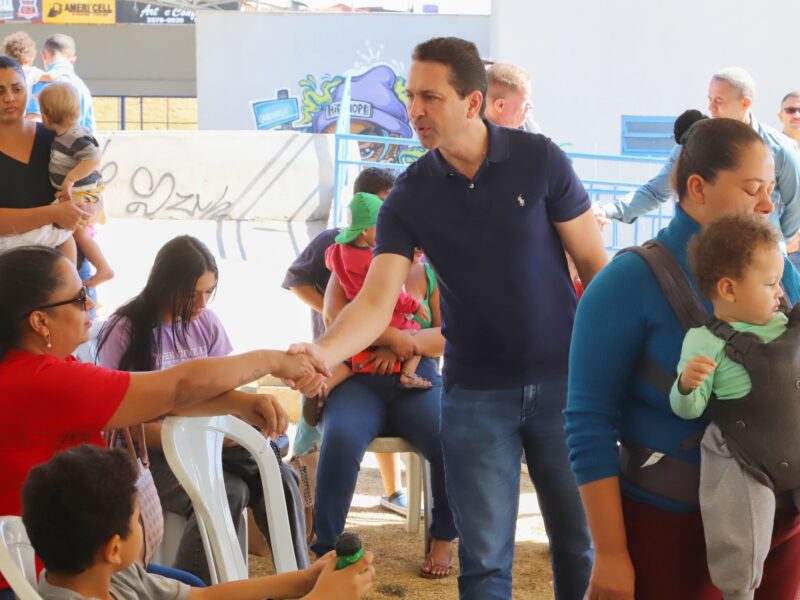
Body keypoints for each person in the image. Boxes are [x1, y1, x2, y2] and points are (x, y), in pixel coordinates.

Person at [289, 36, 606, 600]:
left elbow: (593, 267)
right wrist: (322, 353)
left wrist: (611, 365)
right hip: (475, 395)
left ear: (473, 102)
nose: (415, 110)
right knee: (484, 564)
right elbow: (374, 302)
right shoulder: (409, 195)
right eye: (411, 96)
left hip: (562, 385)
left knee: (578, 546)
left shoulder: (539, 159)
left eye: (430, 97)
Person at [0, 245, 324, 599]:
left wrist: (238, 402)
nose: (90, 303)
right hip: (39, 579)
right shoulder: (39, 381)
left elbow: (160, 398)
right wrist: (272, 360)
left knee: (194, 586)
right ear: (39, 321)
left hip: (70, 562)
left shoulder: (40, 369)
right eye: (79, 298)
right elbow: (176, 388)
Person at [566, 118, 800, 600]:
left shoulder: (780, 271)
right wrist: (610, 553)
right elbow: (588, 423)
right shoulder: (627, 282)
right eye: (752, 188)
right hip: (672, 528)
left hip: (782, 524)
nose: (767, 204)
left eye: (771, 189)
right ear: (697, 188)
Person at [96, 235, 309, 582]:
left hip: (206, 449)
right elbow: (124, 425)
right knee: (230, 491)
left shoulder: (206, 323)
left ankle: (298, 577)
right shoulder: (125, 330)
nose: (202, 302)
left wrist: (242, 416)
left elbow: (224, 393)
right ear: (164, 284)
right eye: (192, 293)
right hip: (147, 457)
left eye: (209, 292)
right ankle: (190, 589)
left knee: (281, 475)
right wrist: (207, 437)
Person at [22, 444, 375, 600]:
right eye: (137, 518)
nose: (144, 523)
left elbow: (203, 596)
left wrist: (305, 581)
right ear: (114, 547)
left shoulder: (110, 574)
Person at [670, 215, 799, 600]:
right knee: (739, 533)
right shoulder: (704, 340)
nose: (780, 292)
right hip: (743, 455)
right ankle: (738, 592)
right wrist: (686, 384)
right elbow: (688, 410)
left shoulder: (786, 323)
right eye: (771, 283)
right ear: (729, 288)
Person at [312, 245, 457, 579]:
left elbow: (448, 335)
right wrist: (391, 339)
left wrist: (408, 345)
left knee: (449, 436)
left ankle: (443, 536)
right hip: (357, 380)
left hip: (417, 380)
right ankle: (326, 549)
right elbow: (334, 321)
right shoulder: (346, 264)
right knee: (340, 438)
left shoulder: (430, 271)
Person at [282, 166, 412, 517]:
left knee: (373, 416)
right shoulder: (333, 241)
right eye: (383, 203)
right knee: (317, 410)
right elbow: (296, 281)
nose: (389, 212)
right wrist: (339, 318)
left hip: (378, 348)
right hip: (338, 349)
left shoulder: (391, 247)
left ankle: (393, 489)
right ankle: (300, 481)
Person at [595, 68, 800, 245]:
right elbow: (656, 191)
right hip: (705, 257)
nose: (711, 108)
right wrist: (608, 211)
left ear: (745, 103)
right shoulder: (693, 144)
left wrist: (777, 242)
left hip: (764, 257)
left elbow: (796, 206)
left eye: (719, 101)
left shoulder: (780, 149)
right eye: (710, 99)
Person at [311, 191, 431, 412]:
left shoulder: (336, 251)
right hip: (383, 315)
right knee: (413, 335)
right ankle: (408, 373)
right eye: (380, 227)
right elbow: (392, 294)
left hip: (358, 318)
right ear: (366, 230)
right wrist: (414, 307)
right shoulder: (374, 260)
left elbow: (329, 260)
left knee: (350, 360)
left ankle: (324, 386)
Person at [0, 57, 91, 260]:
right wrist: (53, 214)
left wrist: (86, 208)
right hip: (8, 271)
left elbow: (93, 188)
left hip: (70, 268)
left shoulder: (58, 136)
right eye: (0, 91)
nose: (9, 98)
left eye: (17, 89)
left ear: (27, 89)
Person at [35, 81, 112, 287]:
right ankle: (78, 274)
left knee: (68, 232)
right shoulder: (66, 135)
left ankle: (97, 269)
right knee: (71, 232)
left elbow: (93, 158)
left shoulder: (74, 136)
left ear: (46, 116)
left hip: (79, 192)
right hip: (79, 192)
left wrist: (70, 178)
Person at [29, 34, 94, 131]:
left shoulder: (42, 84)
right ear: (73, 60)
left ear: (44, 55)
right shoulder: (83, 88)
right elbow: (90, 130)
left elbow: (33, 124)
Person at [0, 31, 53, 118]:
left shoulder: (4, 73)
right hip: (23, 113)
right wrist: (63, 71)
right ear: (31, 58)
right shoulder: (32, 71)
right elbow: (50, 77)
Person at [484, 62, 539, 132]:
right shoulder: (474, 136)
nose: (530, 105)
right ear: (500, 105)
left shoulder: (528, 128)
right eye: (525, 100)